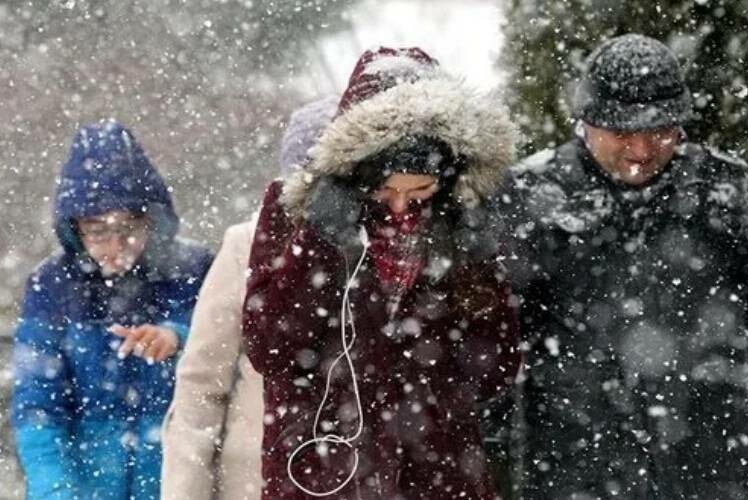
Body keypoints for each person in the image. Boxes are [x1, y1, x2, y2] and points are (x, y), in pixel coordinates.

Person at [505, 34, 748, 499]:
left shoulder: (725, 193)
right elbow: (491, 352)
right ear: (585, 122)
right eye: (622, 133)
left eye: (660, 131)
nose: (641, 151)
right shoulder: (532, 201)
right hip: (578, 468)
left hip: (715, 466)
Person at [241, 47, 521, 499]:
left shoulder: (463, 222)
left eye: (420, 191)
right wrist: (322, 240)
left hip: (437, 478)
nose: (400, 206)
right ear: (355, 170)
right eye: (385, 188)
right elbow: (271, 349)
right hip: (322, 474)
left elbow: (495, 370)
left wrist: (477, 267)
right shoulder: (292, 212)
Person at [12, 121, 213, 500]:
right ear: (74, 228)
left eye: (129, 226)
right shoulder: (51, 285)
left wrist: (177, 337)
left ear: (152, 220)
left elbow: (226, 344)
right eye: (98, 229)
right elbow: (38, 404)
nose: (116, 243)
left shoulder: (193, 269)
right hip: (87, 486)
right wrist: (57, 491)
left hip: (178, 482)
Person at [160, 96, 337, 500]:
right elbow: (201, 384)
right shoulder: (248, 245)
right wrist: (186, 491)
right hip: (254, 482)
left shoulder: (376, 253)